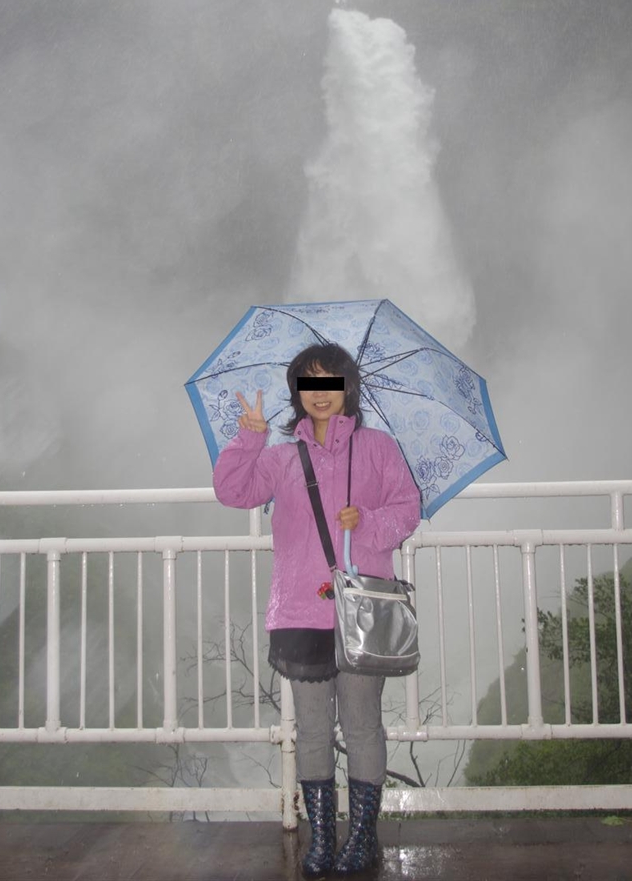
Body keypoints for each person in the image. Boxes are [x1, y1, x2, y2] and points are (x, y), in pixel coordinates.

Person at [214, 342, 421, 877]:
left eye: (330, 381)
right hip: (300, 612)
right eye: (309, 383)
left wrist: (367, 522)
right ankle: (323, 839)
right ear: (298, 393)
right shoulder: (281, 457)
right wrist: (251, 437)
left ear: (347, 387)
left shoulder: (377, 448)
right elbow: (232, 491)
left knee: (362, 725)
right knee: (310, 730)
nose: (320, 393)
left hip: (361, 612)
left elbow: (408, 508)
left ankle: (362, 838)